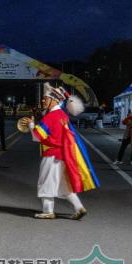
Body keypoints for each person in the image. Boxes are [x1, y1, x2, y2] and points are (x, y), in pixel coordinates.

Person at [22, 83, 99, 220]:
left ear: (53, 100)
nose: (43, 101)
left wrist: (31, 125)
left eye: (45, 98)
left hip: (51, 155)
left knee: (45, 182)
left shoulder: (51, 117)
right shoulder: (62, 115)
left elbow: (37, 137)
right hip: (62, 156)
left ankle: (48, 211)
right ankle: (79, 208)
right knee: (64, 186)